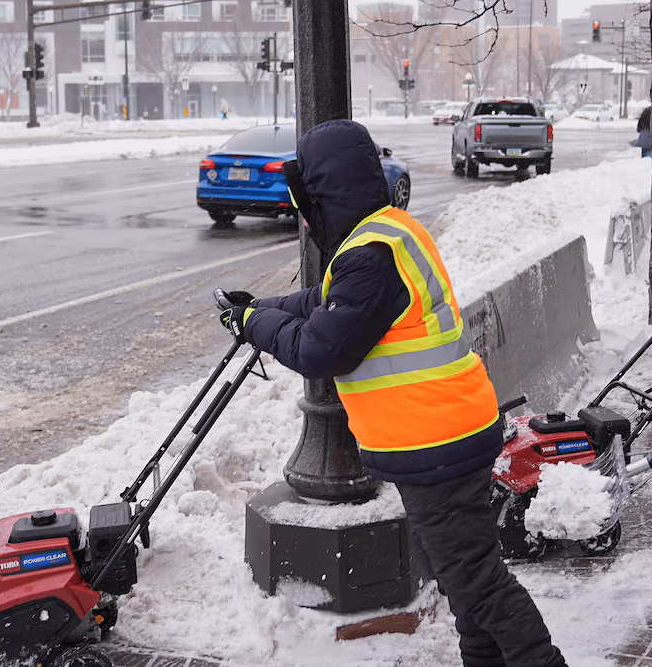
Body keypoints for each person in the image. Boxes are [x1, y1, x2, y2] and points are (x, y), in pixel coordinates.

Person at [216, 119, 568, 667]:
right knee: (465, 579)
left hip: (437, 445)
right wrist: (261, 309)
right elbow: (324, 303)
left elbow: (320, 351)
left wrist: (252, 325)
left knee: (479, 583)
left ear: (322, 194)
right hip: (450, 431)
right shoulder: (387, 233)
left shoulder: (368, 257)